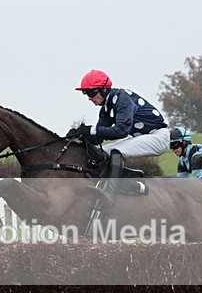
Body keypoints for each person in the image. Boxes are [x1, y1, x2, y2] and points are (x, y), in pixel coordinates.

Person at [67, 69, 169, 206]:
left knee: (117, 151)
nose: (89, 98)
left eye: (91, 93)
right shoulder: (106, 107)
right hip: (140, 137)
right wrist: (81, 136)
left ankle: (109, 194)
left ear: (103, 89)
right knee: (100, 153)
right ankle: (126, 184)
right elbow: (98, 138)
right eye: (86, 94)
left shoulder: (122, 98)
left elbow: (121, 130)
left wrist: (90, 130)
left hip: (158, 137)